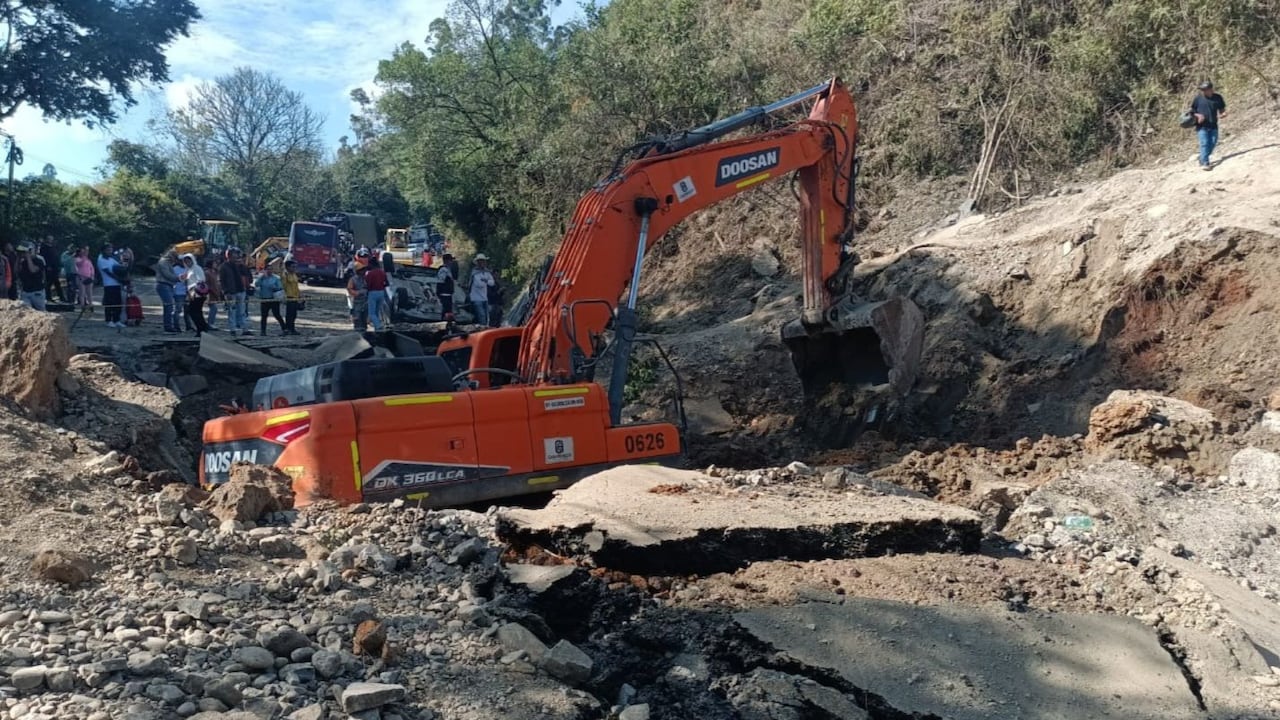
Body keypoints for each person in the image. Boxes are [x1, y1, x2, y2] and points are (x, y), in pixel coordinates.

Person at [1191, 80, 1227, 170]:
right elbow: (1191, 111)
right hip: (1201, 126)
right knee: (1205, 143)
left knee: (1213, 143)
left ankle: (1202, 158)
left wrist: (1223, 114)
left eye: (1205, 89)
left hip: (1213, 124)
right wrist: (1198, 115)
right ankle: (1205, 163)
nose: (1203, 91)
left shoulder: (1217, 98)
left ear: (1211, 89)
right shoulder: (1198, 99)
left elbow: (1222, 109)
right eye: (1202, 90)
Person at [218, 248, 249, 335]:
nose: (236, 257)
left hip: (240, 290)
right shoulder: (223, 267)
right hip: (231, 292)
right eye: (234, 255)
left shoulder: (238, 266)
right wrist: (226, 292)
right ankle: (233, 329)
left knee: (242, 311)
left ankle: (244, 328)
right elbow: (222, 281)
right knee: (232, 311)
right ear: (229, 256)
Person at [179, 253, 210, 335]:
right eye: (185, 261)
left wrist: (194, 287)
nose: (187, 262)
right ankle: (202, 328)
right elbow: (187, 281)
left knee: (193, 311)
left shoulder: (197, 268)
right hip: (192, 293)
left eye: (188, 260)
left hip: (198, 293)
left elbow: (201, 280)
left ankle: (201, 328)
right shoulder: (189, 270)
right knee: (197, 311)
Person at [98, 243, 125, 327]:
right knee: (110, 303)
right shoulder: (101, 260)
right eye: (108, 250)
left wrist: (124, 267)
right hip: (109, 285)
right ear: (103, 251)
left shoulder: (111, 259)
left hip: (116, 284)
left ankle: (117, 320)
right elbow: (108, 272)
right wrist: (119, 279)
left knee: (118, 302)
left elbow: (119, 267)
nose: (110, 251)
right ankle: (109, 320)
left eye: (111, 250)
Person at [15, 242, 48, 311]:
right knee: (27, 312)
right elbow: (16, 271)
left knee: (41, 313)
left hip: (37, 292)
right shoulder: (23, 262)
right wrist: (18, 258)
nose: (23, 254)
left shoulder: (39, 261)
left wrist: (28, 257)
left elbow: (32, 270)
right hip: (25, 291)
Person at [255, 264, 286, 335]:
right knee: (264, 316)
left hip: (273, 299)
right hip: (264, 299)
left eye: (271, 269)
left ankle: (284, 328)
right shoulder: (262, 278)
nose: (269, 271)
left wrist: (274, 287)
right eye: (268, 269)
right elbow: (256, 284)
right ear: (265, 270)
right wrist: (261, 278)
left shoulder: (275, 278)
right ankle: (263, 331)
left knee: (277, 315)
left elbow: (280, 287)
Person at [154, 251, 181, 333]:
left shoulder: (167, 263)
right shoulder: (163, 262)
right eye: (175, 258)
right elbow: (167, 274)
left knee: (169, 306)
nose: (175, 261)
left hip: (167, 285)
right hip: (163, 285)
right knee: (168, 306)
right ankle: (168, 326)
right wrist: (178, 278)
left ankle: (169, 325)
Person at [468, 253, 495, 326]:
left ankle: (485, 328)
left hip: (484, 298)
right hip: (476, 298)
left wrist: (485, 280)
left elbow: (492, 283)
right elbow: (479, 284)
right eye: (480, 261)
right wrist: (486, 281)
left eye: (483, 261)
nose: (482, 263)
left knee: (486, 316)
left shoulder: (487, 272)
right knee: (481, 316)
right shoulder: (475, 273)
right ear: (477, 263)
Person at [364, 260, 389, 331]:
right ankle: (377, 329)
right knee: (376, 312)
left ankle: (378, 326)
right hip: (381, 292)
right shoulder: (382, 272)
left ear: (372, 265)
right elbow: (387, 283)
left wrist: (366, 292)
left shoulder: (370, 273)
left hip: (373, 293)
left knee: (371, 313)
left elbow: (368, 285)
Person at [282, 259, 302, 335]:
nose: (294, 268)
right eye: (293, 267)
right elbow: (283, 286)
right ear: (287, 267)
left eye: (295, 267)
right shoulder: (285, 275)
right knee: (289, 314)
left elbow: (296, 286)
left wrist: (299, 295)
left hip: (295, 297)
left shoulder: (294, 275)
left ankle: (292, 329)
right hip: (289, 297)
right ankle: (287, 329)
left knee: (294, 314)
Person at [39, 236, 62, 303]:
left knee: (57, 283)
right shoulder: (44, 248)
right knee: (49, 283)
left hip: (55, 268)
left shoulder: (53, 247)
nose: (51, 240)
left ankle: (61, 297)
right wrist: (47, 266)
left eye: (51, 239)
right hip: (49, 268)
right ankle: (48, 297)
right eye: (49, 239)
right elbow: (44, 257)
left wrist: (58, 266)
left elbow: (56, 257)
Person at [347, 264, 370, 331]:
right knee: (357, 318)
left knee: (364, 318)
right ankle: (357, 331)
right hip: (357, 301)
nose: (363, 271)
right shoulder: (353, 279)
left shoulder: (366, 279)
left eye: (364, 270)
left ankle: (364, 330)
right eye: (362, 270)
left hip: (366, 301)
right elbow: (349, 289)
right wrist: (357, 293)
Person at [74, 246, 95, 312]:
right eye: (82, 251)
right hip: (81, 277)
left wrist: (92, 275)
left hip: (89, 277)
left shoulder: (88, 260)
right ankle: (82, 306)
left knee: (89, 293)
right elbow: (80, 264)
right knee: (82, 293)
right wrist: (84, 256)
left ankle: (91, 305)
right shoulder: (77, 259)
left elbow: (91, 267)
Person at [436, 253, 456, 318]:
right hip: (444, 294)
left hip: (448, 294)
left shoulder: (448, 269)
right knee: (445, 312)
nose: (452, 262)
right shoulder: (443, 270)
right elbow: (440, 281)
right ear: (447, 260)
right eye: (450, 260)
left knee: (449, 312)